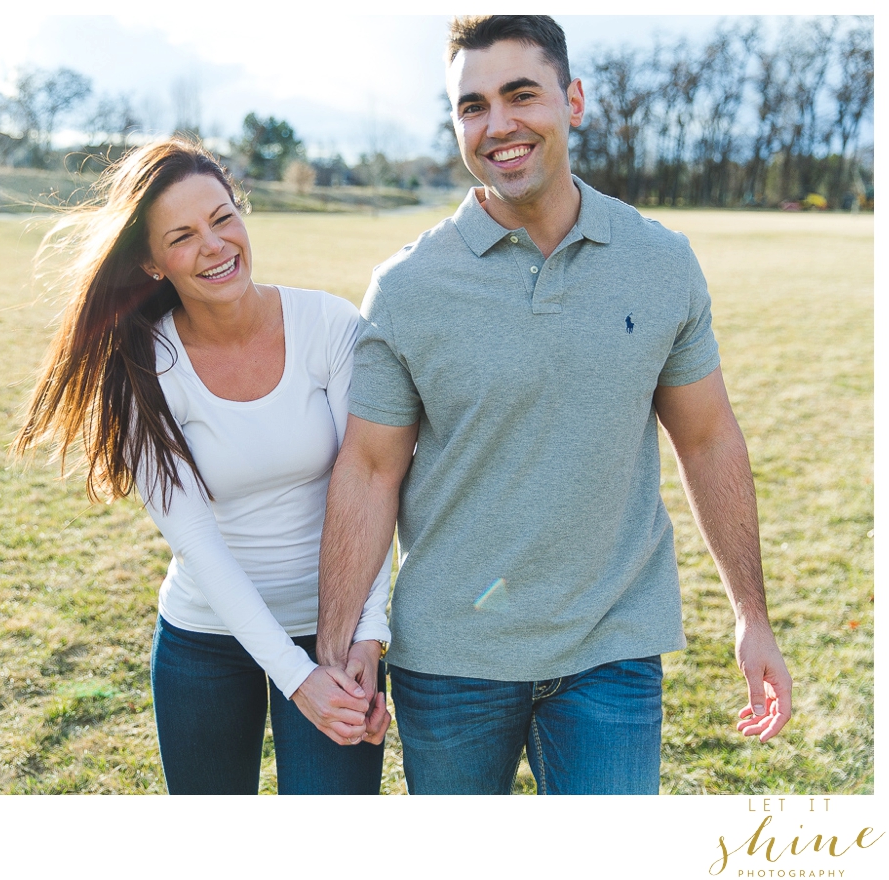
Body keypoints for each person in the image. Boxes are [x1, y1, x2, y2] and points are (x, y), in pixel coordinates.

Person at [316, 15, 793, 795]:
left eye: (520, 94)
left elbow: (708, 441)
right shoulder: (406, 288)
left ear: (573, 101)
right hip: (450, 662)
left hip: (610, 652)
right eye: (472, 106)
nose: (497, 125)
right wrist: (343, 644)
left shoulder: (661, 263)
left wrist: (754, 616)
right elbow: (368, 471)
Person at [12, 137, 391, 795]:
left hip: (333, 630)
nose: (215, 245)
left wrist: (367, 637)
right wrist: (295, 679)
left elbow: (373, 481)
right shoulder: (143, 369)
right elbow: (197, 544)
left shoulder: (328, 325)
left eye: (222, 218)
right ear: (153, 263)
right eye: (183, 236)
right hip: (207, 641)